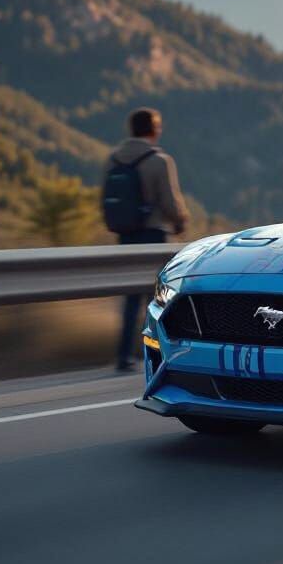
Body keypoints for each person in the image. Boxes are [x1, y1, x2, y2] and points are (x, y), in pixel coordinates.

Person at [104, 108, 188, 372]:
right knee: (160, 296)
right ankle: (157, 353)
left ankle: (124, 355)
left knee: (131, 296)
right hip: (153, 235)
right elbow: (169, 202)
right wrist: (180, 221)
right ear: (153, 129)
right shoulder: (159, 160)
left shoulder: (113, 159)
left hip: (126, 234)